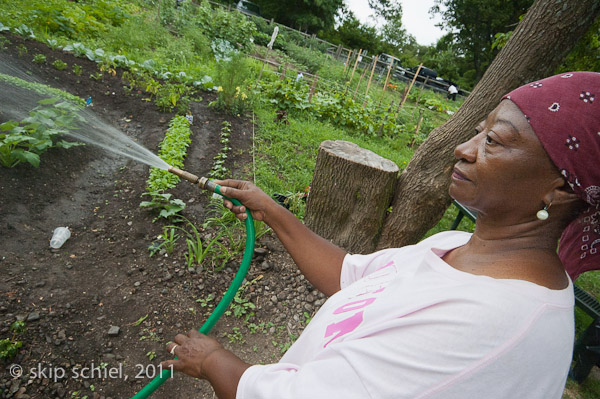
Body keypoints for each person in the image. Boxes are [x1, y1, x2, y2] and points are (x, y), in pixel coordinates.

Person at [161, 72, 599, 398]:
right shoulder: (455, 248)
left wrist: (214, 361)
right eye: (479, 130)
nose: (464, 148)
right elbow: (352, 278)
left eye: (495, 142)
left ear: (560, 187)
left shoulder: (493, 324)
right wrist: (271, 209)